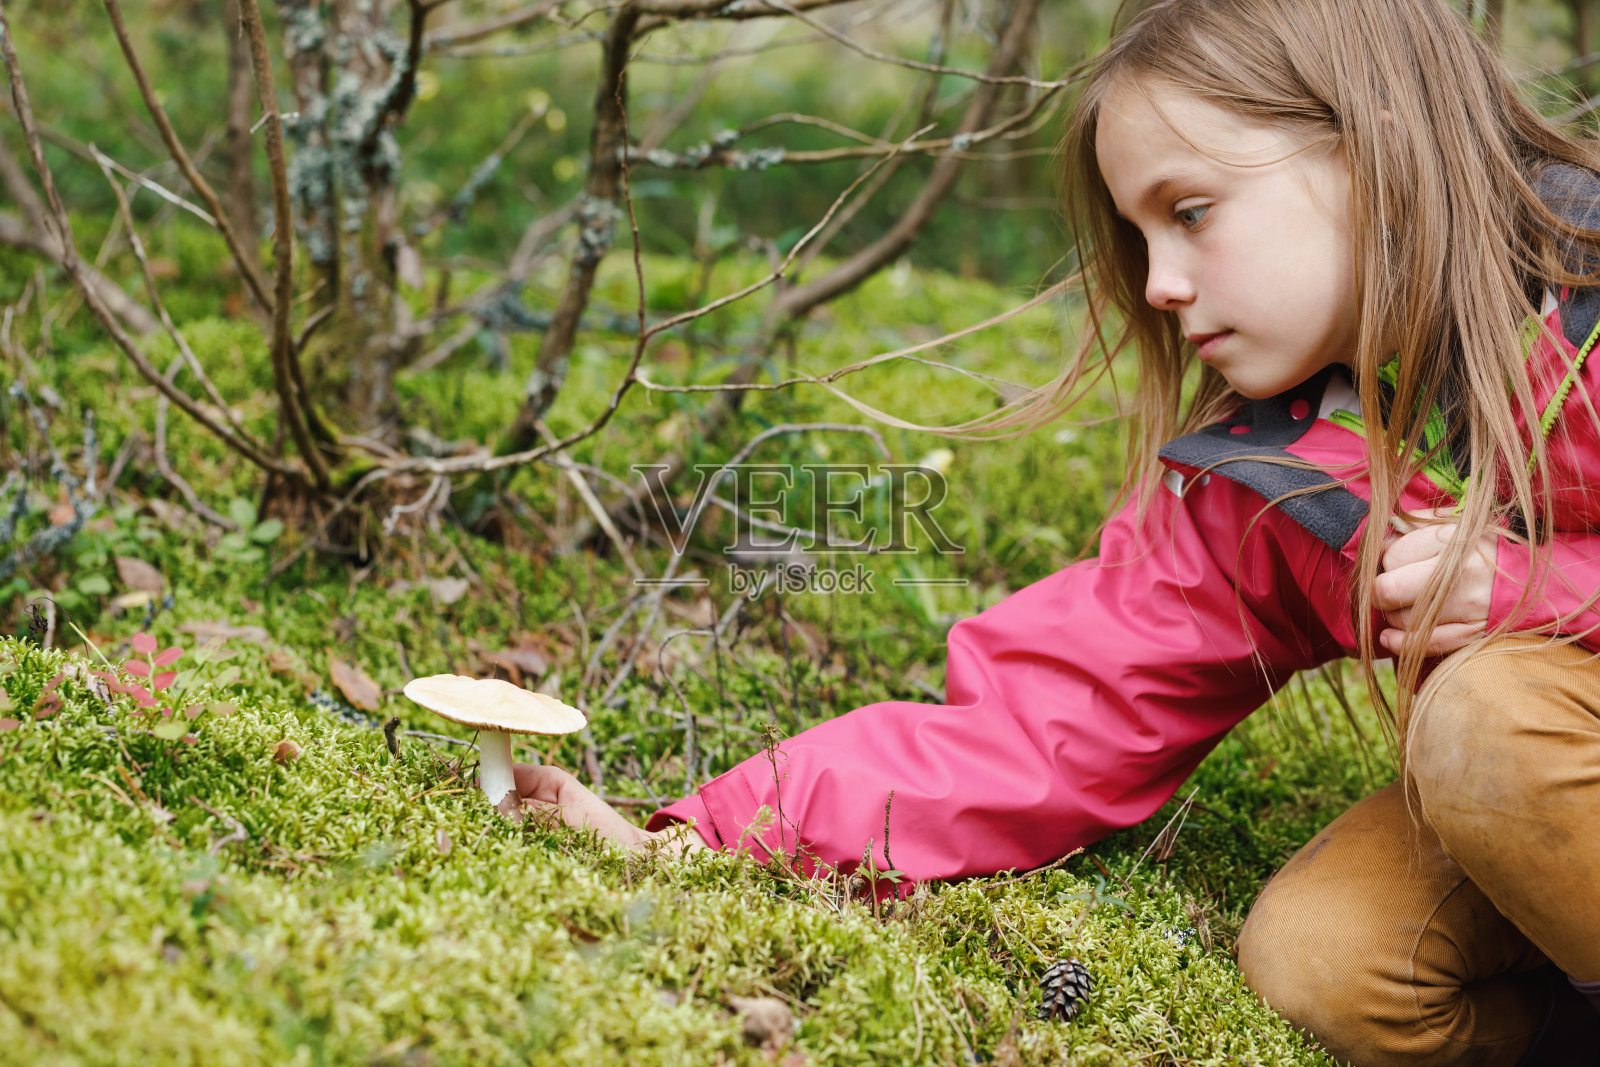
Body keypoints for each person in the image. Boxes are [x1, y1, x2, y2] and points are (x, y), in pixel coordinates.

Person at [514, 0, 1600, 1062]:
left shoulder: (1583, 298)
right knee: (1324, 960)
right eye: (1138, 234)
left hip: (1518, 743)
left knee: (1483, 719)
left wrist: (1534, 593)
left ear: (1371, 150)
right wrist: (699, 842)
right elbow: (1046, 716)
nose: (1160, 284)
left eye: (1192, 211)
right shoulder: (1280, 466)